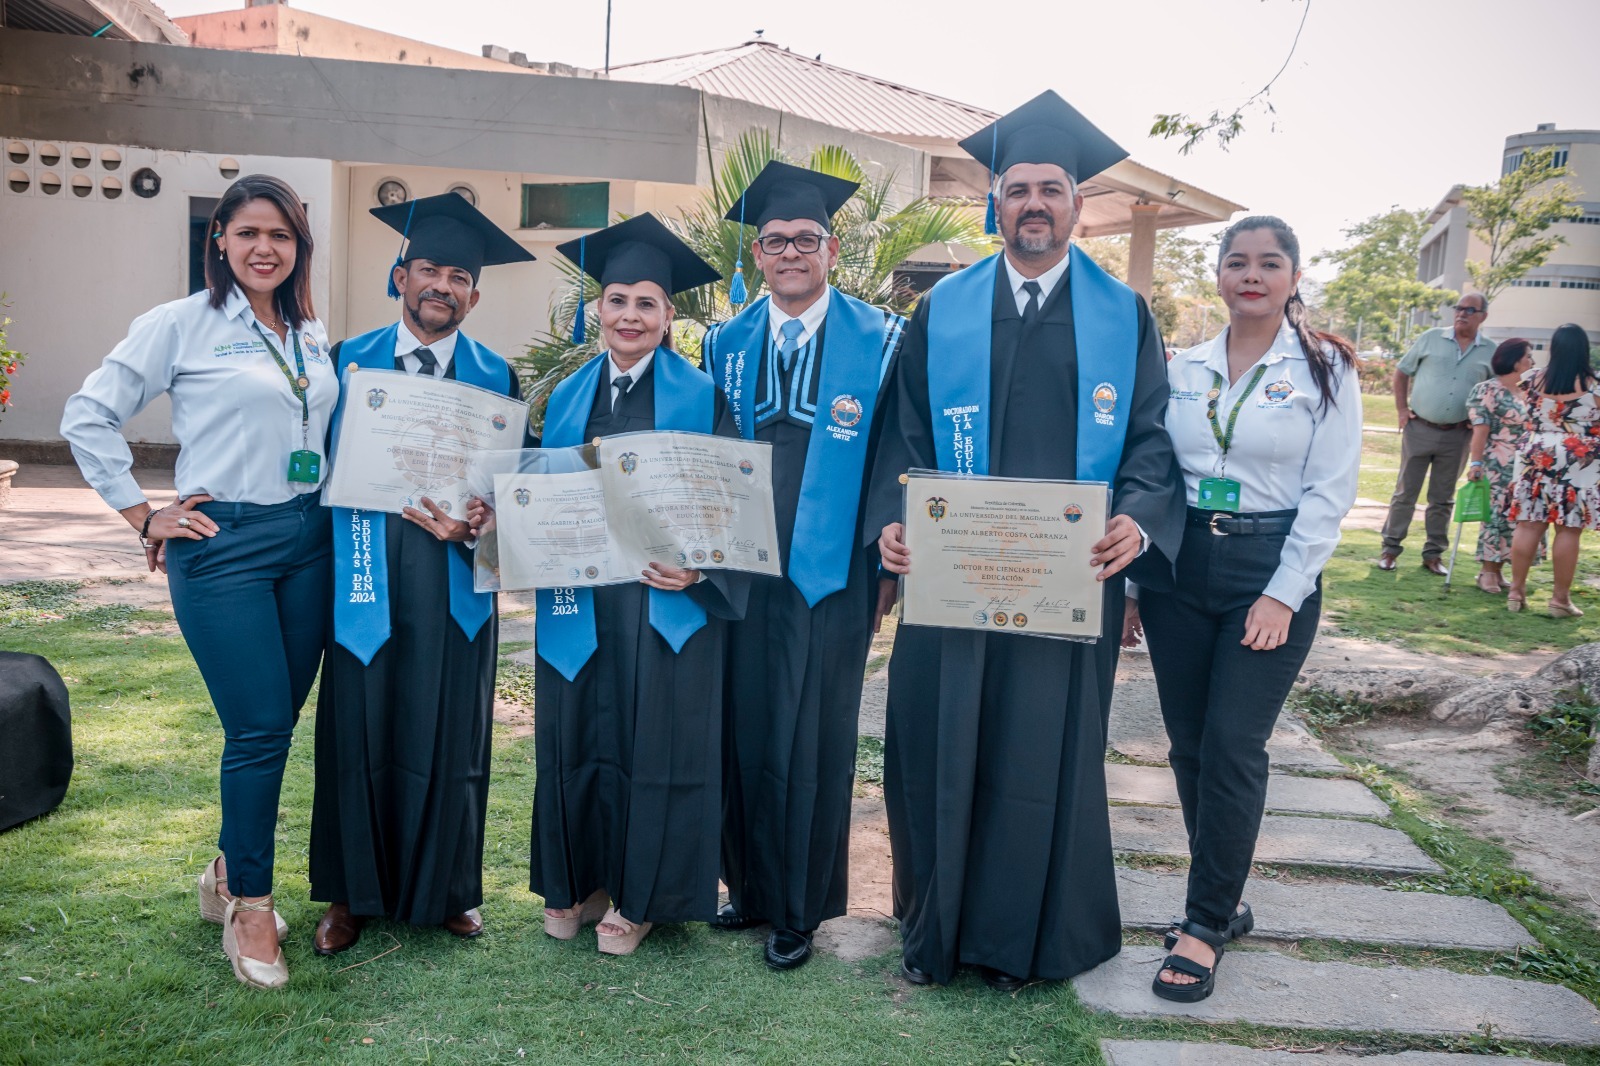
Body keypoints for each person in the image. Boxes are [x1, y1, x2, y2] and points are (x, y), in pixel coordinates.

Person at [867, 91, 1185, 990]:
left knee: (1040, 751)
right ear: (995, 203)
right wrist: (894, 523)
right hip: (954, 582)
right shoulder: (945, 310)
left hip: (1069, 580)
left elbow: (1152, 438)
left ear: (1079, 205)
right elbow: (905, 434)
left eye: (1052, 188)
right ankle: (938, 929)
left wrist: (1138, 514)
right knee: (945, 739)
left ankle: (1025, 942)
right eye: (1018, 190)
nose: (1035, 204)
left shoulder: (1125, 315)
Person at [61, 174, 334, 989]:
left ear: (299, 247)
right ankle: (250, 904)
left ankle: (223, 873)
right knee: (255, 729)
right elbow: (88, 413)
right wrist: (142, 516)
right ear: (219, 237)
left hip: (309, 538)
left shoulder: (309, 332)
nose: (264, 249)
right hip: (223, 547)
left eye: (280, 236)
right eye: (248, 233)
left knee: (276, 723)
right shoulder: (180, 324)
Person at [1123, 216, 1361, 1002]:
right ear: (1219, 276)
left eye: (1269, 263)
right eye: (1237, 263)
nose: (1251, 275)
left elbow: (1330, 494)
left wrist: (1283, 593)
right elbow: (1155, 474)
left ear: (1295, 274)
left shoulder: (1325, 368)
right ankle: (1223, 896)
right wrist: (1132, 585)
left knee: (1232, 744)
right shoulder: (1182, 365)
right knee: (1189, 748)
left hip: (1269, 565)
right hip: (1180, 566)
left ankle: (1201, 925)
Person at [511, 213, 748, 955]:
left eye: (647, 303)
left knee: (656, 741)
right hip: (582, 597)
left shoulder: (702, 395)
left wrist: (702, 567)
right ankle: (580, 881)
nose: (630, 316)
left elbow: (735, 500)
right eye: (618, 301)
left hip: (661, 597)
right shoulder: (569, 396)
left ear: (668, 316)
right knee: (580, 731)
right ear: (597, 311)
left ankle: (643, 896)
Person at [308, 194, 536, 956]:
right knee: (358, 728)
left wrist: (485, 519)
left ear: (476, 293)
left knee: (449, 732)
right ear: (400, 276)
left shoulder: (497, 375)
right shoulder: (347, 359)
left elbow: (507, 497)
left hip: (450, 579)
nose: (442, 285)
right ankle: (350, 895)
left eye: (459, 276)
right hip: (365, 571)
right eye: (429, 270)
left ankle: (447, 891)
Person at [699, 162, 905, 970]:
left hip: (836, 569)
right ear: (757, 253)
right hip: (744, 568)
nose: (792, 252)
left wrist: (888, 548)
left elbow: (900, 450)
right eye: (777, 240)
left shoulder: (883, 337)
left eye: (806, 240)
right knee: (744, 726)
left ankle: (800, 907)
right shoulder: (725, 340)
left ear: (832, 247)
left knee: (814, 735)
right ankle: (747, 888)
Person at [1378, 293, 1495, 574]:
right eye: (1458, 309)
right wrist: (1402, 410)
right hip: (1420, 428)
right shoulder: (1431, 338)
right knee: (1406, 492)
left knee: (1442, 498)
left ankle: (1433, 555)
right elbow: (1402, 372)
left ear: (1483, 316)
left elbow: (1493, 389)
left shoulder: (1491, 351)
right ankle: (1390, 549)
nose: (1461, 314)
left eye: (1469, 310)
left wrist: (1480, 418)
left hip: (1458, 435)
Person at [1508, 324, 1600, 617]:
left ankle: (1516, 592)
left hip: (1535, 453)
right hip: (1577, 456)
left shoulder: (1532, 379)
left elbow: (1531, 412)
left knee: (1528, 523)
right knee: (1569, 529)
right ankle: (1559, 600)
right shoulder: (1594, 384)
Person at [1465, 339, 1537, 593]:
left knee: (1516, 518)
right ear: (1516, 360)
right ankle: (1487, 571)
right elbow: (1480, 430)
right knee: (1494, 517)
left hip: (1525, 465)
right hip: (1498, 461)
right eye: (1529, 356)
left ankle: (1501, 570)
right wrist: (1476, 463)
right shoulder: (1488, 390)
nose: (1532, 361)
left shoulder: (1528, 390)